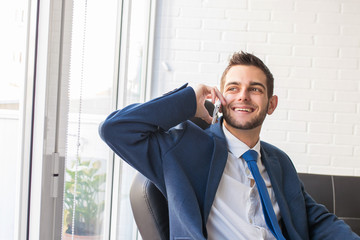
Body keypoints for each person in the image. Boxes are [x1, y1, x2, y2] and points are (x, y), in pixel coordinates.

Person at [99, 51, 359, 240]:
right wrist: (190, 98)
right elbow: (115, 129)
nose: (243, 95)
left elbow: (316, 219)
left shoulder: (280, 162)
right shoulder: (183, 147)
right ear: (220, 99)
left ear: (271, 104)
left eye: (255, 89)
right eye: (233, 88)